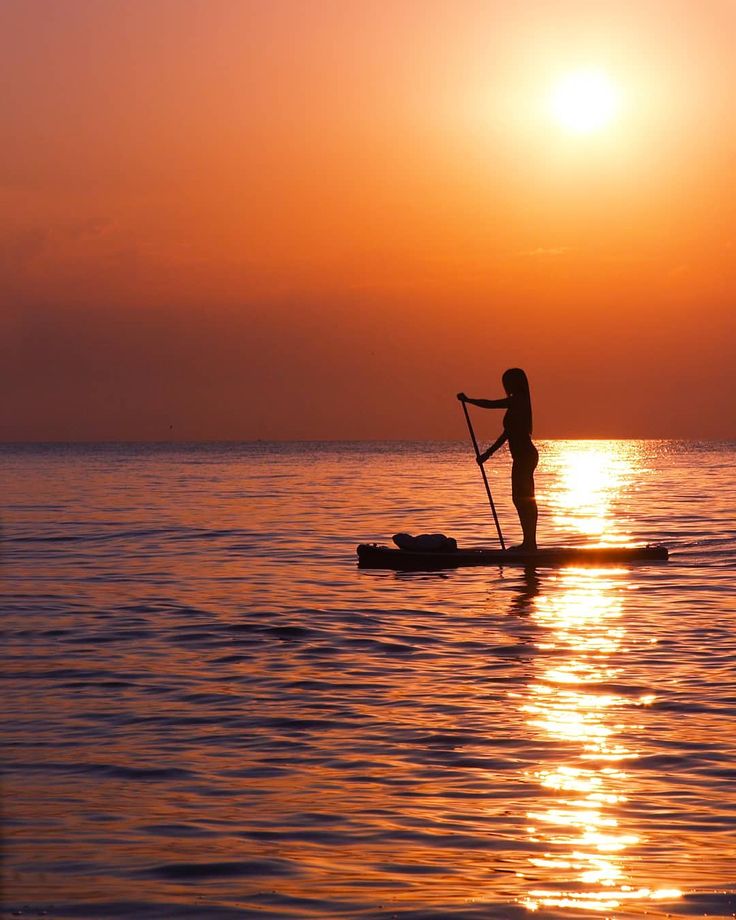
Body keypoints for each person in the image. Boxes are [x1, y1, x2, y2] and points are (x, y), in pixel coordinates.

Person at [457, 368, 538, 550]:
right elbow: (507, 434)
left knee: (525, 498)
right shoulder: (516, 403)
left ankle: (530, 543)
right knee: (519, 498)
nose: (505, 385)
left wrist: (469, 400)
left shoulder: (518, 400)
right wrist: (487, 455)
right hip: (522, 457)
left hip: (526, 456)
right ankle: (529, 542)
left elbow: (491, 404)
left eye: (508, 382)